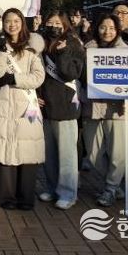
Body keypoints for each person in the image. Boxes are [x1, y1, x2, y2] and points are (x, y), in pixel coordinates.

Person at [0, 8, 46, 210]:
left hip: (25, 105)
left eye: (16, 20)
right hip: (1, 103)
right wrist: (1, 51)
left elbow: (38, 77)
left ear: (22, 23)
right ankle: (7, 197)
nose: (12, 25)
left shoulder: (32, 49)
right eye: (8, 21)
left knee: (27, 150)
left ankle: (26, 198)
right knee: (4, 149)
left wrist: (15, 78)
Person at [82, 14, 128, 207]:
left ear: (118, 30)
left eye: (112, 28)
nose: (107, 32)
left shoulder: (127, 51)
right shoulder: (87, 49)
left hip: (117, 110)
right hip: (92, 108)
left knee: (118, 154)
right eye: (103, 27)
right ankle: (112, 184)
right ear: (96, 28)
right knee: (92, 154)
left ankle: (111, 189)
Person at [38, 11, 85, 210]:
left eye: (58, 23)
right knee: (48, 154)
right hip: (45, 106)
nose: (54, 26)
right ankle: (52, 187)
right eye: (50, 22)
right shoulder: (41, 43)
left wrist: (63, 52)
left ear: (65, 25)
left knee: (67, 155)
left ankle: (68, 193)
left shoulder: (73, 43)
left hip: (66, 107)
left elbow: (70, 74)